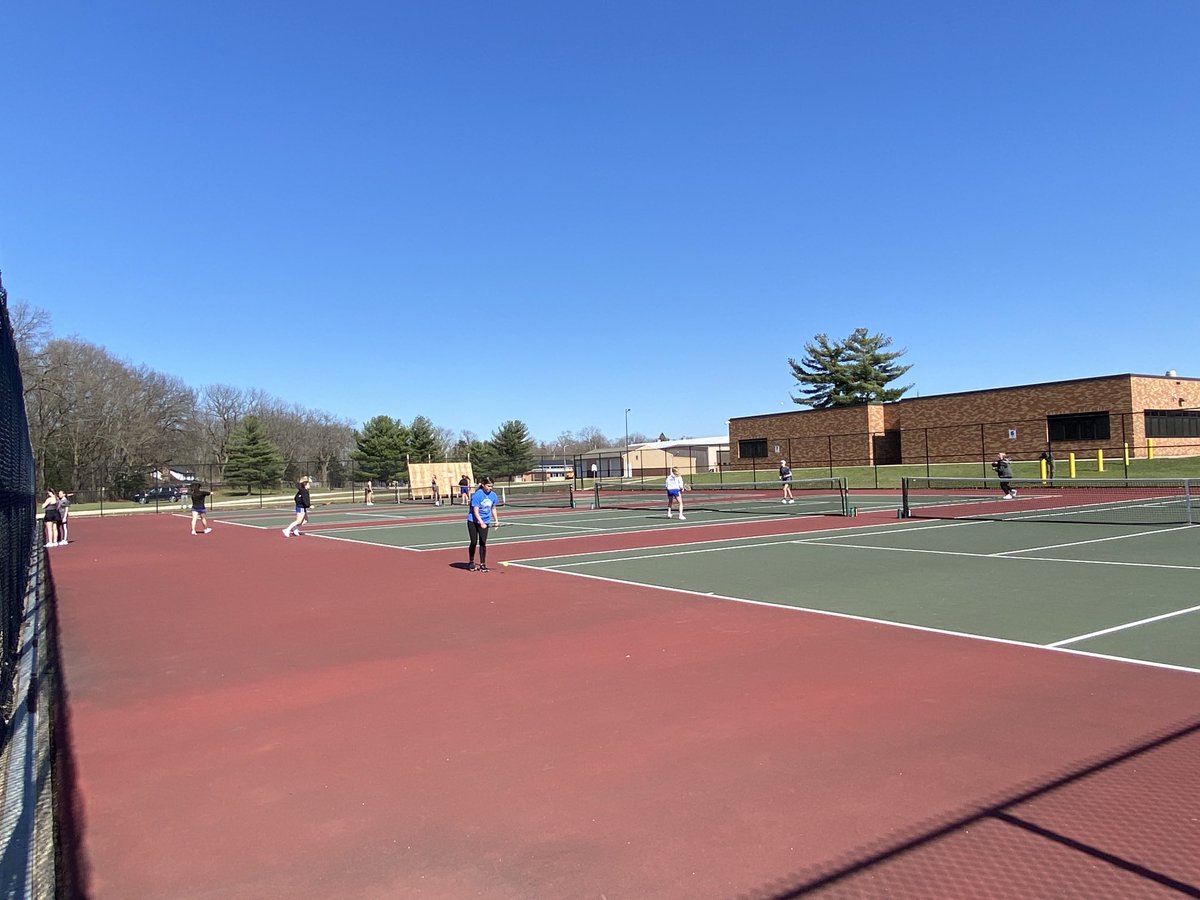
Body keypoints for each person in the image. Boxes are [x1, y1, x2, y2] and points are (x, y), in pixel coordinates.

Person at [466, 476, 500, 572]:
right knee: (473, 541)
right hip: (473, 521)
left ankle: (482, 563)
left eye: (491, 486)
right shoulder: (477, 495)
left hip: (485, 521)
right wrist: (481, 522)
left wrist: (496, 520)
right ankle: (471, 562)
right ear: (483, 485)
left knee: (483, 542)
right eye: (488, 486)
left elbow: (493, 508)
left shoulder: (493, 495)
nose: (490, 488)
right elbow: (475, 511)